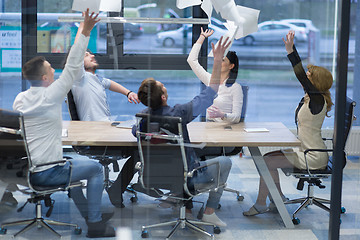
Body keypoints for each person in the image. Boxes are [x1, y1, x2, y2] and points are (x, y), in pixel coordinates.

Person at [12, 9, 115, 238]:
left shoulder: (20, 99)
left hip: (29, 166)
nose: (55, 70)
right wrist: (84, 31)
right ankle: (95, 225)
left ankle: (90, 215)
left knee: (80, 163)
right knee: (96, 168)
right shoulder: (51, 96)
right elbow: (72, 64)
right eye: (51, 69)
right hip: (48, 171)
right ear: (46, 78)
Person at [133, 36, 233, 227]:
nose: (164, 85)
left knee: (188, 156)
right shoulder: (179, 113)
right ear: (163, 96)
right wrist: (218, 60)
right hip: (188, 176)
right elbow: (211, 92)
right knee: (225, 161)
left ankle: (181, 202)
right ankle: (209, 211)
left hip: (156, 176)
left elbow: (134, 132)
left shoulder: (142, 118)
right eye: (162, 85)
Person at [243, 30, 334, 216]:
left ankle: (262, 203)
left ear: (315, 83)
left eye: (309, 76)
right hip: (305, 150)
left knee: (268, 162)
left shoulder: (317, 100)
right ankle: (278, 199)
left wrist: (291, 51)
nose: (305, 77)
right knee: (267, 158)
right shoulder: (311, 98)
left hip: (312, 156)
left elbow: (300, 75)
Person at [69, 21, 140, 209]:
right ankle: (118, 188)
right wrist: (85, 28)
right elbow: (76, 52)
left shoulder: (96, 78)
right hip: (95, 134)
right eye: (87, 55)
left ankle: (118, 187)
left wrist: (128, 93)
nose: (91, 55)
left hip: (105, 128)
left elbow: (111, 84)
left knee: (140, 139)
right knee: (139, 149)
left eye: (91, 53)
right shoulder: (78, 77)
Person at [187, 27, 243, 156]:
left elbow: (236, 117)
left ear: (231, 66)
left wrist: (222, 115)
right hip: (209, 130)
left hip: (226, 134)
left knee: (193, 151)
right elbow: (191, 60)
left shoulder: (235, 88)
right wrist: (202, 37)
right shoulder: (210, 80)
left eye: (222, 60)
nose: (217, 61)